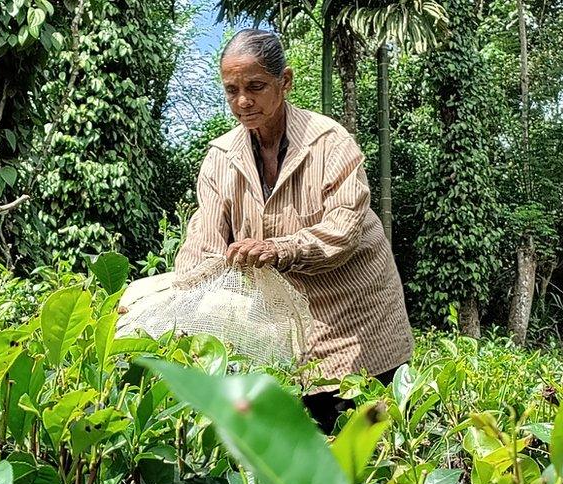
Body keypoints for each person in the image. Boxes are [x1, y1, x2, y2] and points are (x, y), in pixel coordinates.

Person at [175, 29, 412, 433]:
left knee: (367, 443)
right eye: (231, 90)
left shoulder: (330, 143)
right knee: (305, 439)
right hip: (288, 322)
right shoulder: (220, 159)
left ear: (284, 81)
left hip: (357, 313)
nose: (242, 101)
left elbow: (341, 233)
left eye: (255, 86)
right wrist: (169, 299)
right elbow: (203, 249)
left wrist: (279, 249)